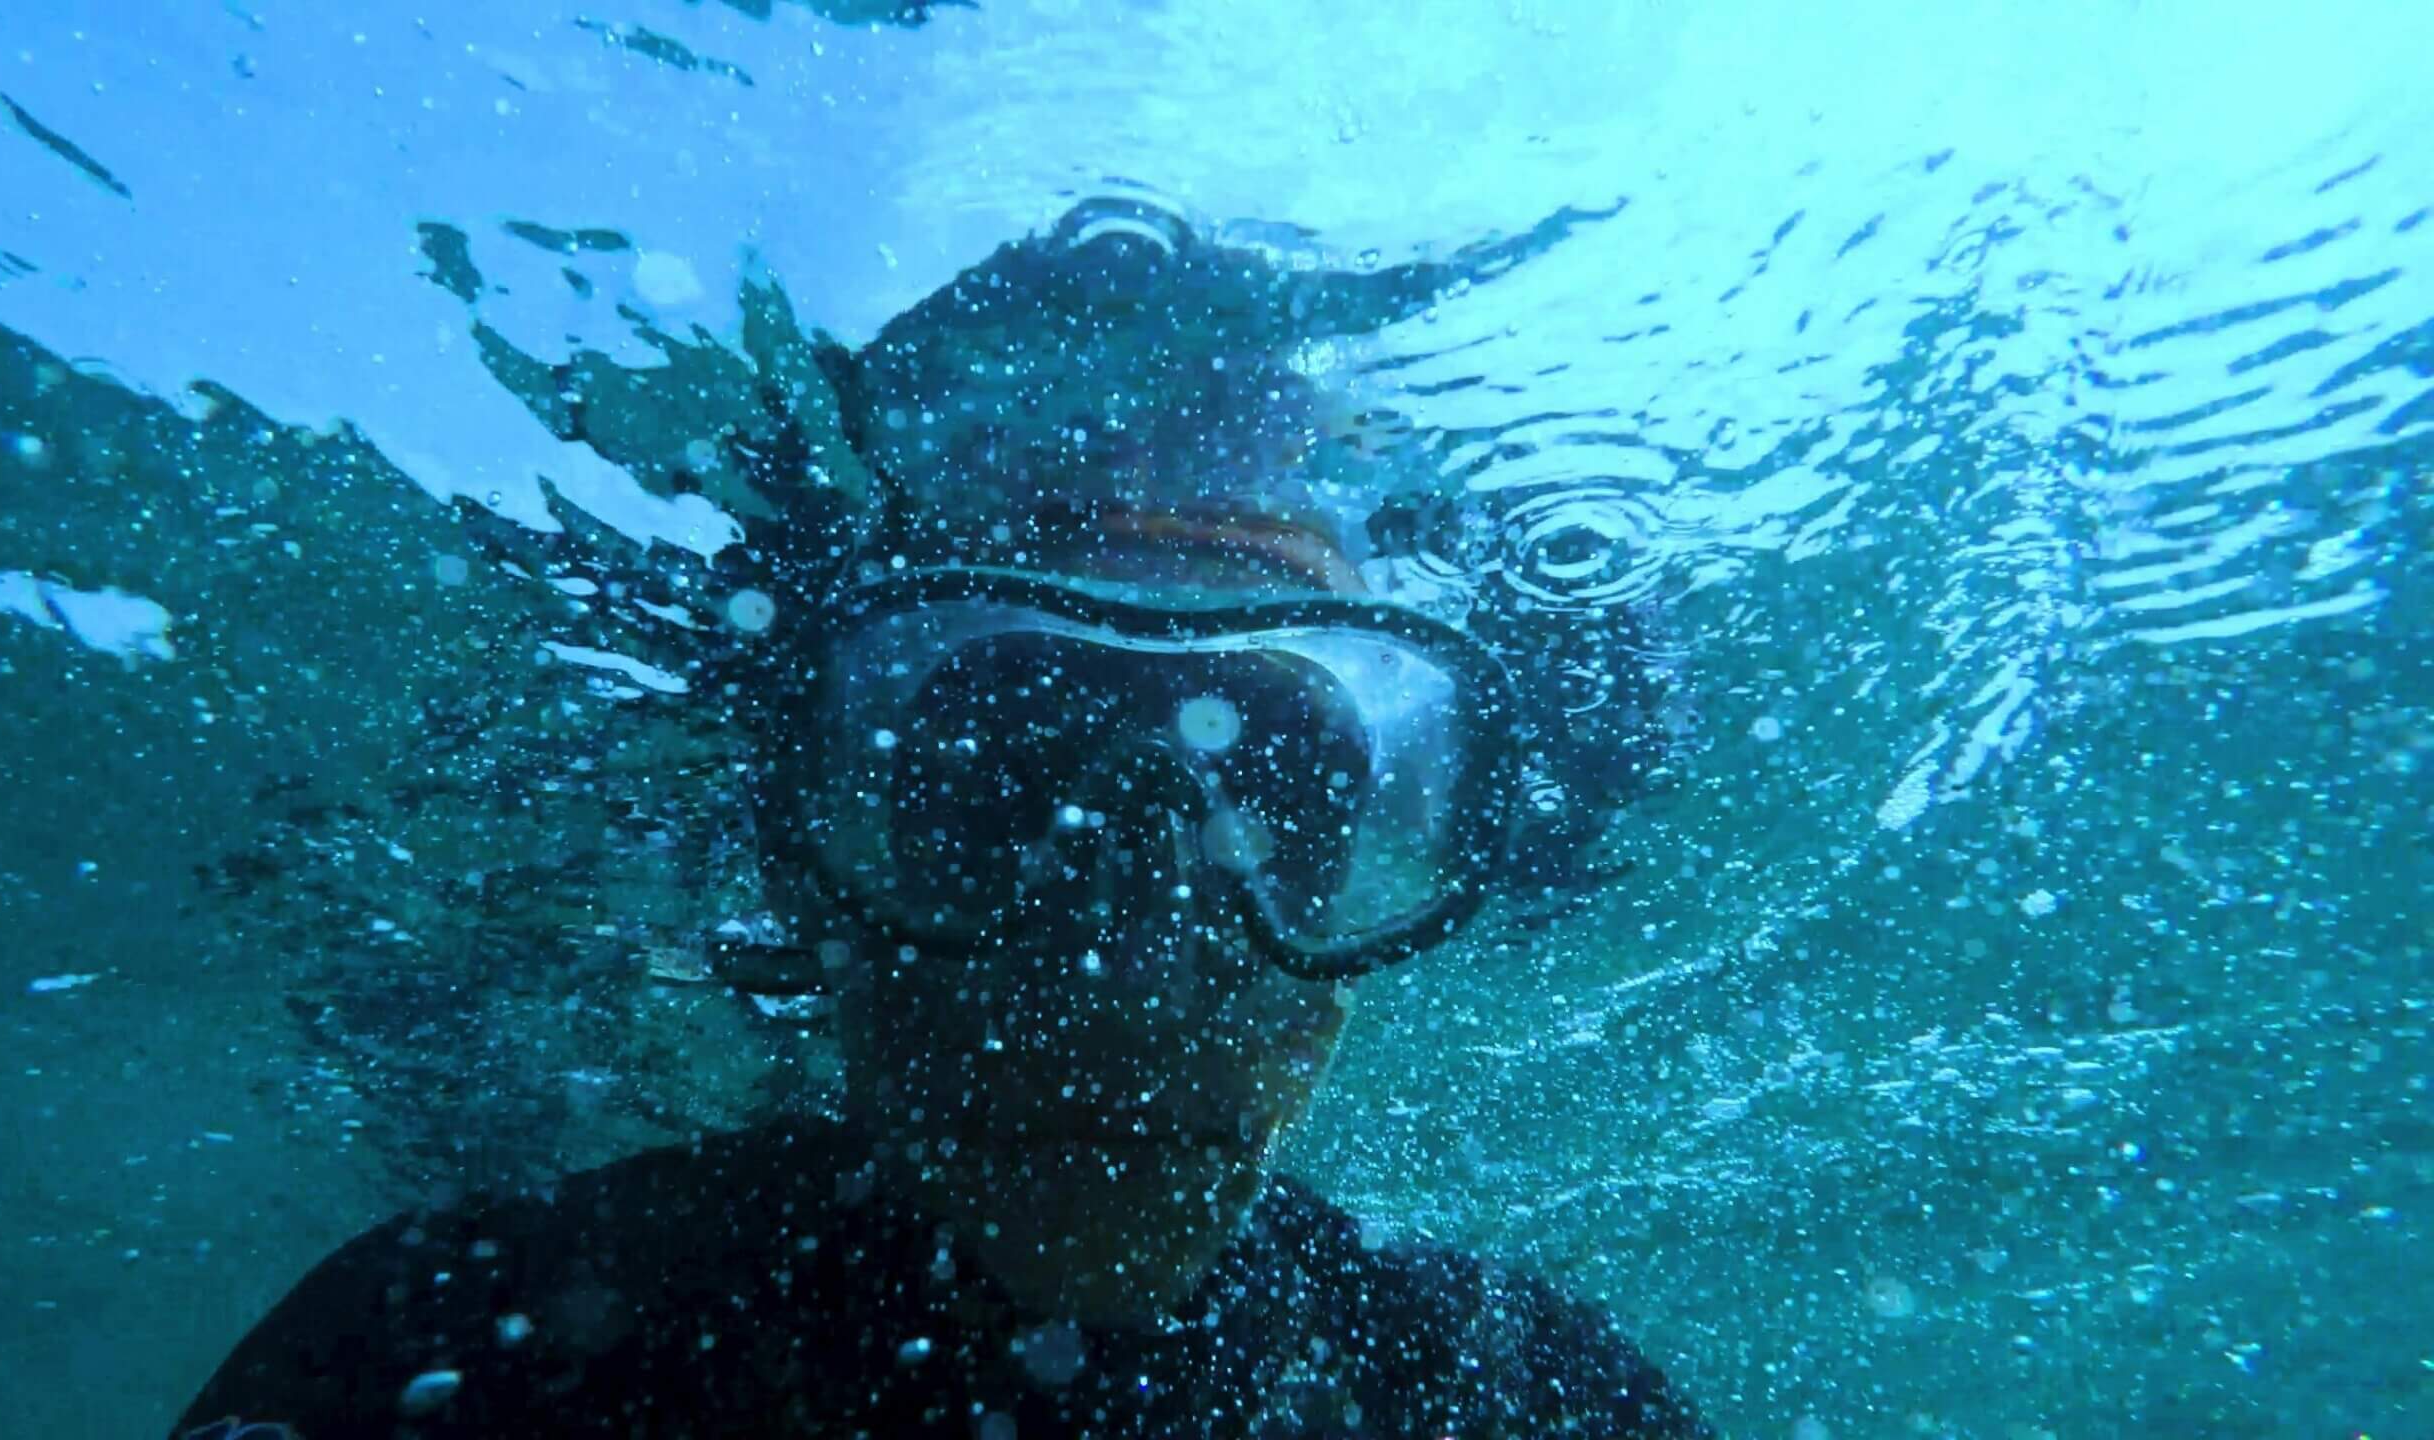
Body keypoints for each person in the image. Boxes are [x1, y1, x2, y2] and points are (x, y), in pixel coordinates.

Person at [174, 198, 1707, 1439]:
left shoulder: (1523, 1400)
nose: (1134, 957)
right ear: (811, 869)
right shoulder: (439, 1361)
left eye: (1283, 797)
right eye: (999, 779)